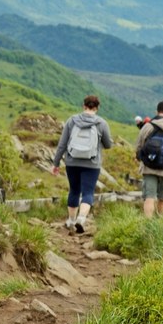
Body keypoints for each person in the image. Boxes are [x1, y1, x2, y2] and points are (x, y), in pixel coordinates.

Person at [52, 95, 113, 234]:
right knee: (88, 192)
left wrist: (55, 163)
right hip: (92, 163)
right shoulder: (101, 123)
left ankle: (71, 220)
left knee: (74, 190)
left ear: (84, 106)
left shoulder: (71, 121)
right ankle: (81, 218)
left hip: (72, 162)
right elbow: (108, 145)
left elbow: (62, 144)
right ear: (97, 108)